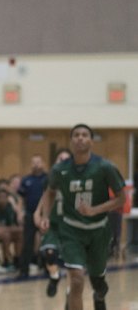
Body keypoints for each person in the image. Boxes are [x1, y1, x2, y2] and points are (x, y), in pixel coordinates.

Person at [37, 124, 125, 310]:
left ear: (91, 141)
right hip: (71, 230)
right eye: (76, 135)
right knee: (76, 280)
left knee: (98, 281)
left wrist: (95, 210)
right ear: (71, 141)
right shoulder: (60, 169)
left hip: (98, 230)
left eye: (85, 135)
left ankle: (99, 295)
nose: (80, 138)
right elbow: (50, 192)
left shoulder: (104, 167)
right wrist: (45, 215)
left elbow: (121, 199)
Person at [34, 147, 71, 297]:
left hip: (71, 225)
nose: (63, 162)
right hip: (53, 222)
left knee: (71, 263)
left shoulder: (77, 179)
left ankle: (70, 294)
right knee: (49, 253)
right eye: (60, 159)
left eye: (66, 159)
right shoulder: (49, 179)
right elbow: (45, 198)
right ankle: (54, 277)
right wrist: (38, 213)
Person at [17, 154, 46, 278]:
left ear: (43, 164)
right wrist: (19, 212)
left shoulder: (48, 179)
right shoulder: (26, 180)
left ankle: (47, 268)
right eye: (33, 162)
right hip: (29, 214)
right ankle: (24, 270)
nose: (36, 165)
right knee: (27, 242)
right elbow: (20, 198)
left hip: (44, 215)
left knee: (46, 242)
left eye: (38, 162)